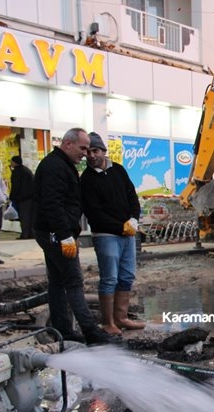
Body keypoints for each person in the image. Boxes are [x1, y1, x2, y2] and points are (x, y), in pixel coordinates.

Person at [33, 128, 121, 346]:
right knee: (73, 281)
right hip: (55, 232)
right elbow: (52, 203)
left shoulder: (62, 165)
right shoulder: (55, 167)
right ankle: (91, 332)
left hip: (51, 231)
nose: (85, 153)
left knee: (57, 281)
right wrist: (64, 235)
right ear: (68, 144)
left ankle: (63, 330)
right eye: (82, 148)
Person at [81, 132, 146, 334]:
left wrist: (134, 219)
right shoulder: (86, 180)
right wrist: (120, 227)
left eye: (95, 151)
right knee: (110, 278)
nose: (91, 156)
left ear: (103, 151)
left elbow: (132, 197)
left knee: (126, 276)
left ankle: (122, 317)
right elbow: (94, 213)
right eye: (88, 152)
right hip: (106, 235)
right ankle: (108, 323)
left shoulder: (118, 170)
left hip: (127, 233)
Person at [9, 155, 35, 239]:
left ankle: (25, 234)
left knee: (24, 217)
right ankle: (31, 233)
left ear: (14, 162)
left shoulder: (17, 172)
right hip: (31, 197)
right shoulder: (27, 170)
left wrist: (12, 197)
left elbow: (16, 186)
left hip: (23, 198)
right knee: (30, 217)